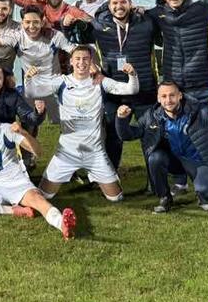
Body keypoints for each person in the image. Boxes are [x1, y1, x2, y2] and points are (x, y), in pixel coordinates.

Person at [0, 99, 77, 239]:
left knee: (38, 200)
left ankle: (62, 225)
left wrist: (24, 132)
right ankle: (12, 210)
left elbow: (38, 152)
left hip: (16, 181)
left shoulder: (6, 129)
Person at [24, 48, 139, 202]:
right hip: (66, 152)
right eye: (77, 59)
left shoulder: (100, 82)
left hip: (95, 152)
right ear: (71, 61)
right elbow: (32, 92)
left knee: (116, 198)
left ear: (91, 61)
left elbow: (132, 89)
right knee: (44, 196)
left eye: (85, 59)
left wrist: (132, 74)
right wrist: (28, 78)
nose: (81, 62)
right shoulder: (62, 82)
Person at [117, 82, 208, 214]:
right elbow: (128, 135)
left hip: (197, 162)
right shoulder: (152, 116)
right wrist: (121, 120)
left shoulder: (201, 111)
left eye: (172, 95)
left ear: (180, 95)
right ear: (158, 98)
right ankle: (164, 197)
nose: (168, 100)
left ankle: (207, 194)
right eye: (164, 96)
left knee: (206, 191)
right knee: (155, 158)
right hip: (173, 161)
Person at [77, 0, 159, 171]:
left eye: (123, 2)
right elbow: (76, 39)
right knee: (112, 136)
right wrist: (92, 64)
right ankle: (110, 177)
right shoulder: (99, 24)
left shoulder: (147, 22)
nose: (119, 6)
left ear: (130, 3)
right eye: (114, 3)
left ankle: (154, 181)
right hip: (114, 92)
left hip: (145, 91)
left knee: (150, 136)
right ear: (108, 5)